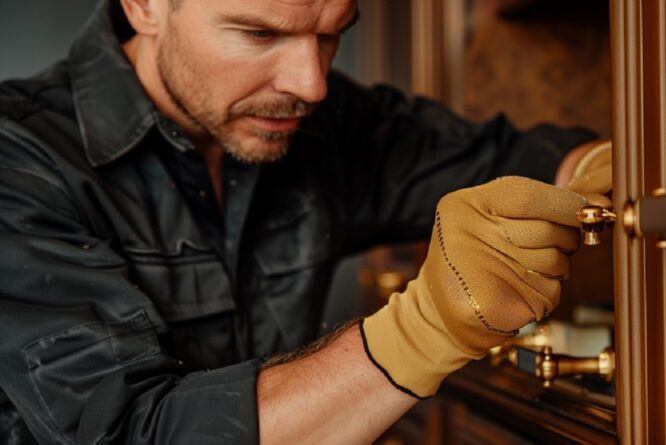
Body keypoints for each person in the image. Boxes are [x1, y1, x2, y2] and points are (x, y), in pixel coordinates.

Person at [0, 0, 611, 443]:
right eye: (259, 34)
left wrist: (620, 169)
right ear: (145, 6)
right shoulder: (16, 156)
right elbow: (129, 432)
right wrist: (422, 331)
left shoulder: (323, 120)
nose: (310, 83)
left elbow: (521, 159)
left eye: (331, 35)